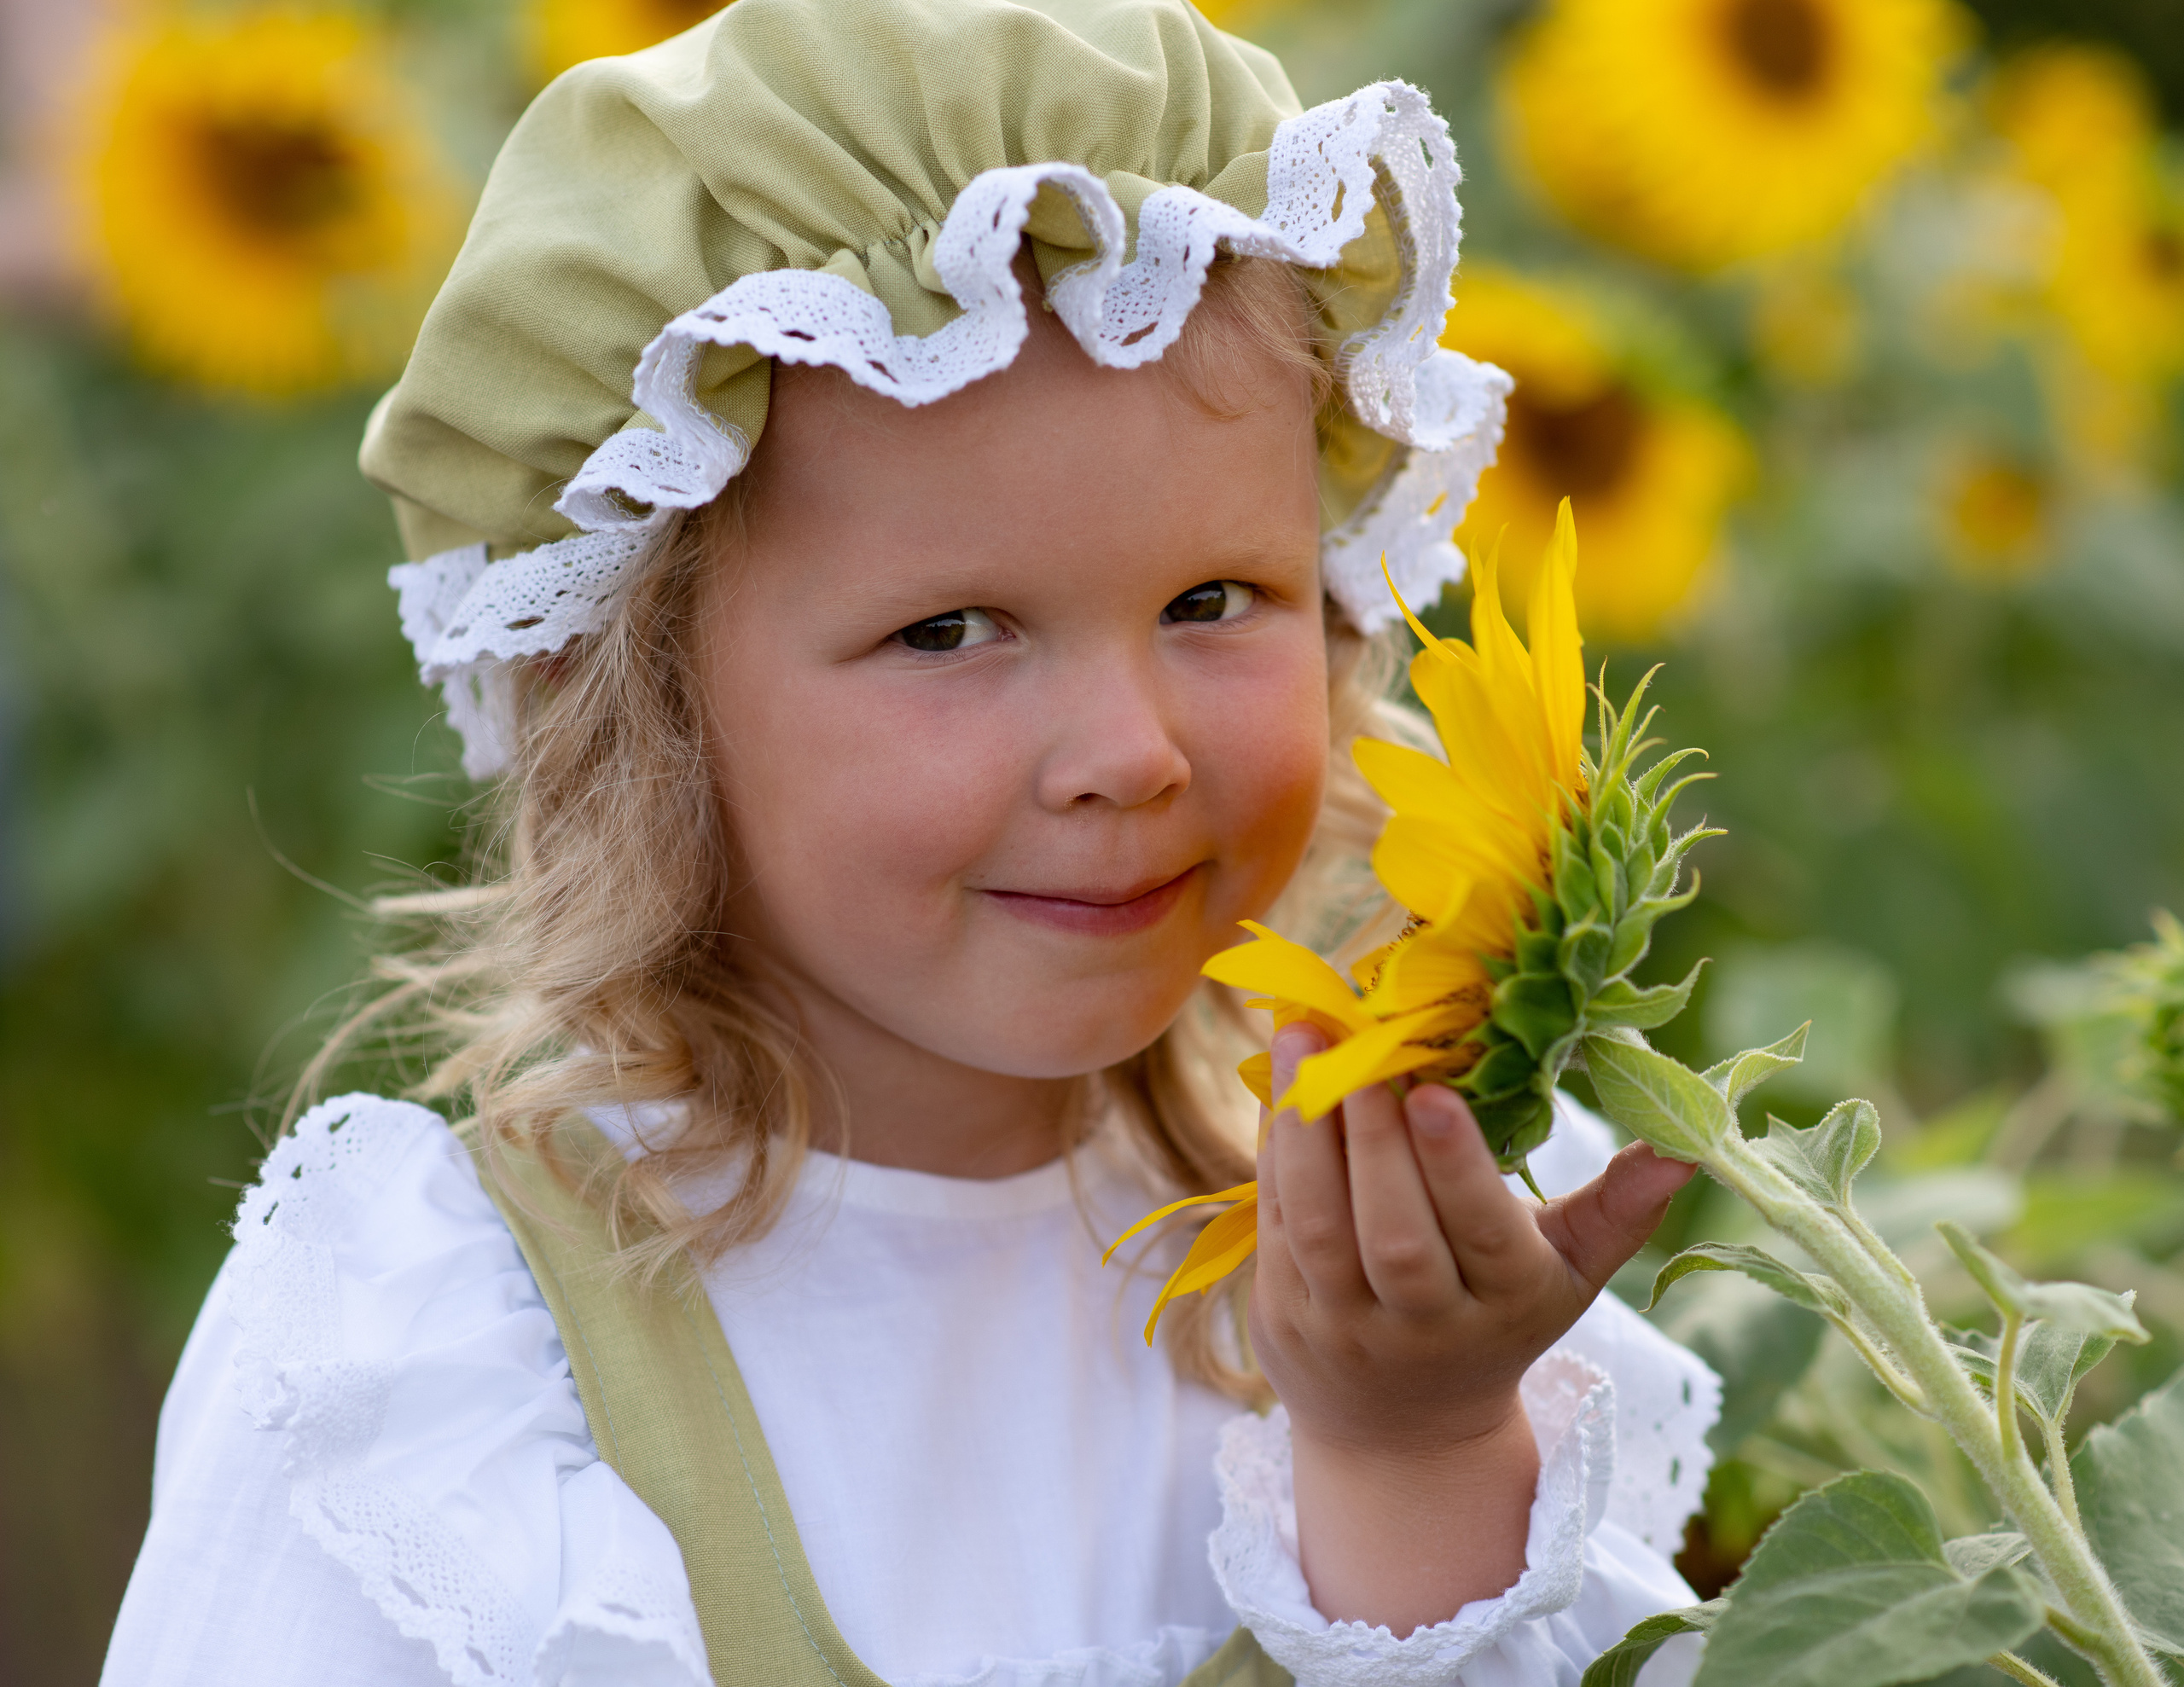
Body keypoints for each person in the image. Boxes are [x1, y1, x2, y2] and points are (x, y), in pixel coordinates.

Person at [102, 1, 1722, 1682]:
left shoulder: (1398, 1246)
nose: (1130, 753)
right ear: (639, 707)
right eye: (950, 631)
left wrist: (1412, 1448)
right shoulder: (467, 1357)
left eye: (1211, 601)